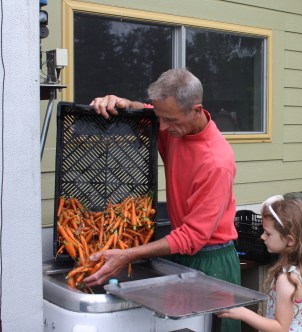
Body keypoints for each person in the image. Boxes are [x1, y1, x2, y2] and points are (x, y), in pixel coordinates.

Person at [84, 68, 241, 332]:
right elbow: (143, 110)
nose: (163, 128)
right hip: (180, 254)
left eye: (169, 120)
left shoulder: (216, 162)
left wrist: (128, 255)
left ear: (196, 109)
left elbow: (192, 237)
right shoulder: (176, 125)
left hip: (212, 261)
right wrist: (119, 102)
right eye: (160, 117)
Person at [217, 195, 302, 331]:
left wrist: (243, 313)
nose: (262, 237)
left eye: (268, 233)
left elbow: (280, 328)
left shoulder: (287, 279)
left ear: (290, 240)